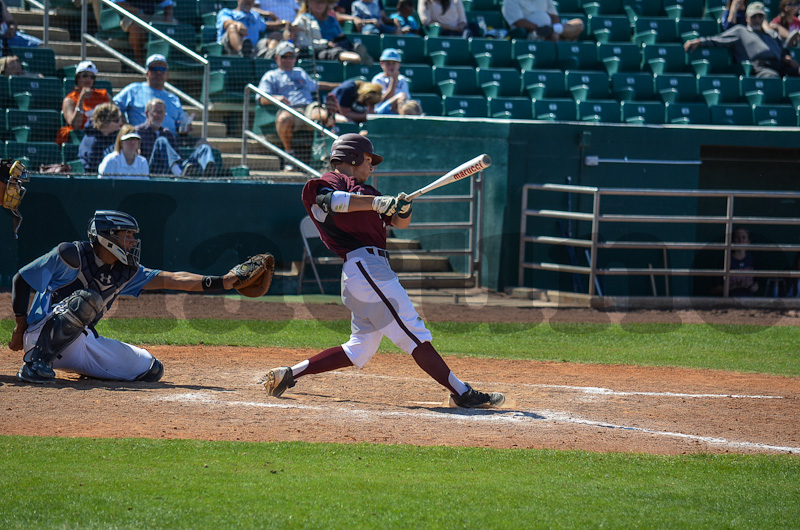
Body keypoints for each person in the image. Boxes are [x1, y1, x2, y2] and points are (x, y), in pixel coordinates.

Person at [263, 134, 505, 409]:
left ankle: (289, 374)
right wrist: (377, 204)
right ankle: (462, 392)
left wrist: (402, 208)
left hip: (366, 272)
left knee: (360, 349)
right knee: (414, 333)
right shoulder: (331, 182)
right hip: (365, 268)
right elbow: (329, 201)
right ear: (353, 158)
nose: (372, 167)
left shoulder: (369, 193)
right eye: (368, 160)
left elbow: (400, 223)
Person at [8, 210, 257, 384]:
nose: (132, 241)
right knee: (87, 299)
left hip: (77, 344)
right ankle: (35, 365)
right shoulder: (70, 254)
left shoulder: (126, 272)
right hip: (39, 335)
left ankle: (90, 369)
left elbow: (174, 279)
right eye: (127, 235)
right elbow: (21, 278)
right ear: (108, 236)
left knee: (150, 368)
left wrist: (223, 281)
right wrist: (20, 329)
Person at [257, 41, 339, 170]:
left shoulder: (300, 72)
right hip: (290, 110)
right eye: (284, 56)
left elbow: (316, 85)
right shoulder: (271, 75)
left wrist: (338, 86)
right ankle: (289, 156)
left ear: (295, 58)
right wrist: (276, 98)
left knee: (320, 113)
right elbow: (261, 98)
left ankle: (328, 118)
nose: (288, 60)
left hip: (308, 107)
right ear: (276, 58)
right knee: (284, 118)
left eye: (291, 56)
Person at [684, 2, 800, 78]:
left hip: (779, 65)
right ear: (747, 18)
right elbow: (719, 39)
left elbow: (783, 50)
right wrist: (699, 41)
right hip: (760, 67)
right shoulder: (741, 31)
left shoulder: (771, 34)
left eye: (760, 16)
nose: (757, 19)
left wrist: (788, 59)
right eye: (753, 16)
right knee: (772, 77)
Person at [113, 54, 193, 137]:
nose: (158, 72)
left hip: (169, 142)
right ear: (147, 73)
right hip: (141, 141)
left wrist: (185, 127)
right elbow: (113, 106)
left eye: (162, 69)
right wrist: (125, 125)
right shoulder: (133, 90)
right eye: (154, 69)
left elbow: (180, 124)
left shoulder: (173, 99)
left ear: (167, 75)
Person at [136, 98, 217, 177]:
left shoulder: (167, 133)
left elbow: (179, 155)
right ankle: (180, 175)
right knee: (161, 141)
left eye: (162, 113)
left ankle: (209, 175)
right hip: (153, 170)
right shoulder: (138, 132)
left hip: (174, 169)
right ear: (147, 113)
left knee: (204, 148)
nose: (159, 116)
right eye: (156, 112)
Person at [57, 61, 112, 147]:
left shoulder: (103, 95)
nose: (88, 79)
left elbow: (119, 117)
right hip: (81, 139)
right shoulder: (70, 100)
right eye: (85, 75)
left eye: (92, 77)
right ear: (78, 78)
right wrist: (81, 99)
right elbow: (75, 125)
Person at [293, 0, 367, 64]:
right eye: (316, 1)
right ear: (308, 2)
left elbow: (341, 36)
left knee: (350, 46)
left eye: (323, 2)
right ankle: (357, 58)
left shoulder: (332, 20)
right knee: (336, 52)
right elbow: (302, 42)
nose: (320, 5)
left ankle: (359, 56)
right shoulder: (303, 19)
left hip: (338, 47)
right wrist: (325, 44)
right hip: (319, 51)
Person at [114, 0, 176, 65]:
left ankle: (176, 60)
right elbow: (117, 2)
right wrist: (138, 12)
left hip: (150, 16)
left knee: (174, 23)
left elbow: (167, 3)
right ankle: (139, 60)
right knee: (136, 27)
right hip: (129, 14)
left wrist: (169, 17)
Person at [711, 226, 760, 296]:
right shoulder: (725, 261)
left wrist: (753, 287)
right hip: (729, 302)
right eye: (737, 237)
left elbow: (756, 284)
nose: (740, 240)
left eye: (743, 237)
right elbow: (714, 289)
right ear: (732, 240)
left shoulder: (752, 260)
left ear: (748, 242)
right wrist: (735, 286)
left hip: (749, 302)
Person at [501, 0, 584, 41]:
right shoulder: (510, 1)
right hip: (531, 33)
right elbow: (518, 22)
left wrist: (553, 30)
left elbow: (554, 16)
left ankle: (555, 31)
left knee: (579, 24)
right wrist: (539, 28)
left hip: (551, 29)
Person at [78, 102, 125, 173]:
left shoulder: (116, 136)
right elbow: (92, 169)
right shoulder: (91, 141)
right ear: (105, 122)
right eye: (116, 120)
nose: (120, 123)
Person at [370, 48, 411, 115]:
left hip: (398, 112)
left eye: (394, 63)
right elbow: (383, 100)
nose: (391, 66)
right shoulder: (378, 79)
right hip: (380, 112)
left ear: (399, 65)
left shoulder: (402, 79)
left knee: (414, 106)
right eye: (388, 63)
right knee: (401, 95)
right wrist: (394, 80)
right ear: (381, 64)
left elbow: (407, 101)